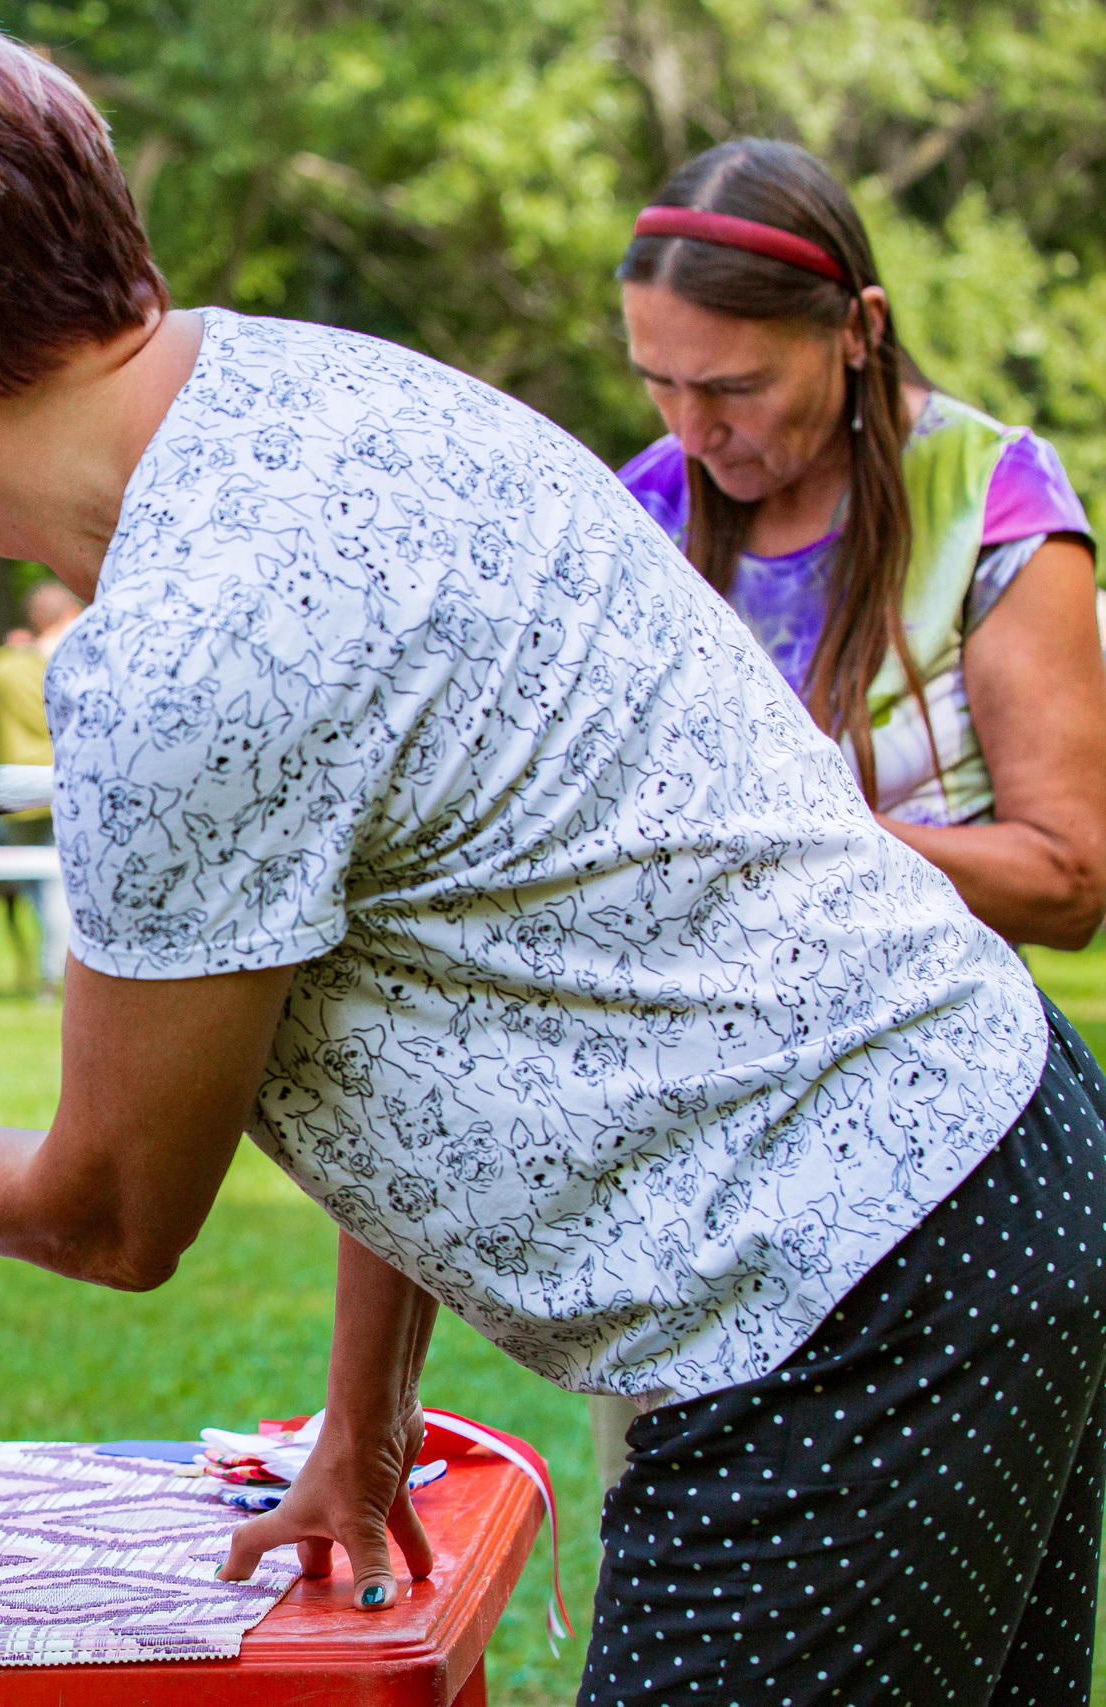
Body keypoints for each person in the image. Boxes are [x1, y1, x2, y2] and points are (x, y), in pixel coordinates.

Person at [0, 13, 1106, 1703]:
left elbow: (117, 1210)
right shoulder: (324, 387)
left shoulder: (178, 651)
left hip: (839, 1318)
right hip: (1010, 1164)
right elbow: (408, 994)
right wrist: (364, 1415)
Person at [605, 138, 1106, 1496]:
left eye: (736, 386)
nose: (696, 431)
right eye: (659, 380)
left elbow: (1067, 876)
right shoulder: (638, 517)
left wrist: (791, 828)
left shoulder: (991, 503)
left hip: (954, 1162)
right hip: (697, 1171)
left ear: (858, 333)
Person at [0, 578, 84, 991]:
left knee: (30, 888)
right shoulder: (77, 662)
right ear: (67, 616)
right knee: (58, 885)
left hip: (12, 790)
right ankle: (56, 974)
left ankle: (48, 972)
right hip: (65, 788)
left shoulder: (3, 663)